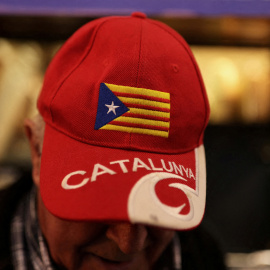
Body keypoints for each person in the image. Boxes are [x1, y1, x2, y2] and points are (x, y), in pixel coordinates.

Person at [0, 12, 226, 270]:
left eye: (155, 200)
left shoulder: (205, 258)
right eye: (101, 198)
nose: (129, 243)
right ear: (37, 152)